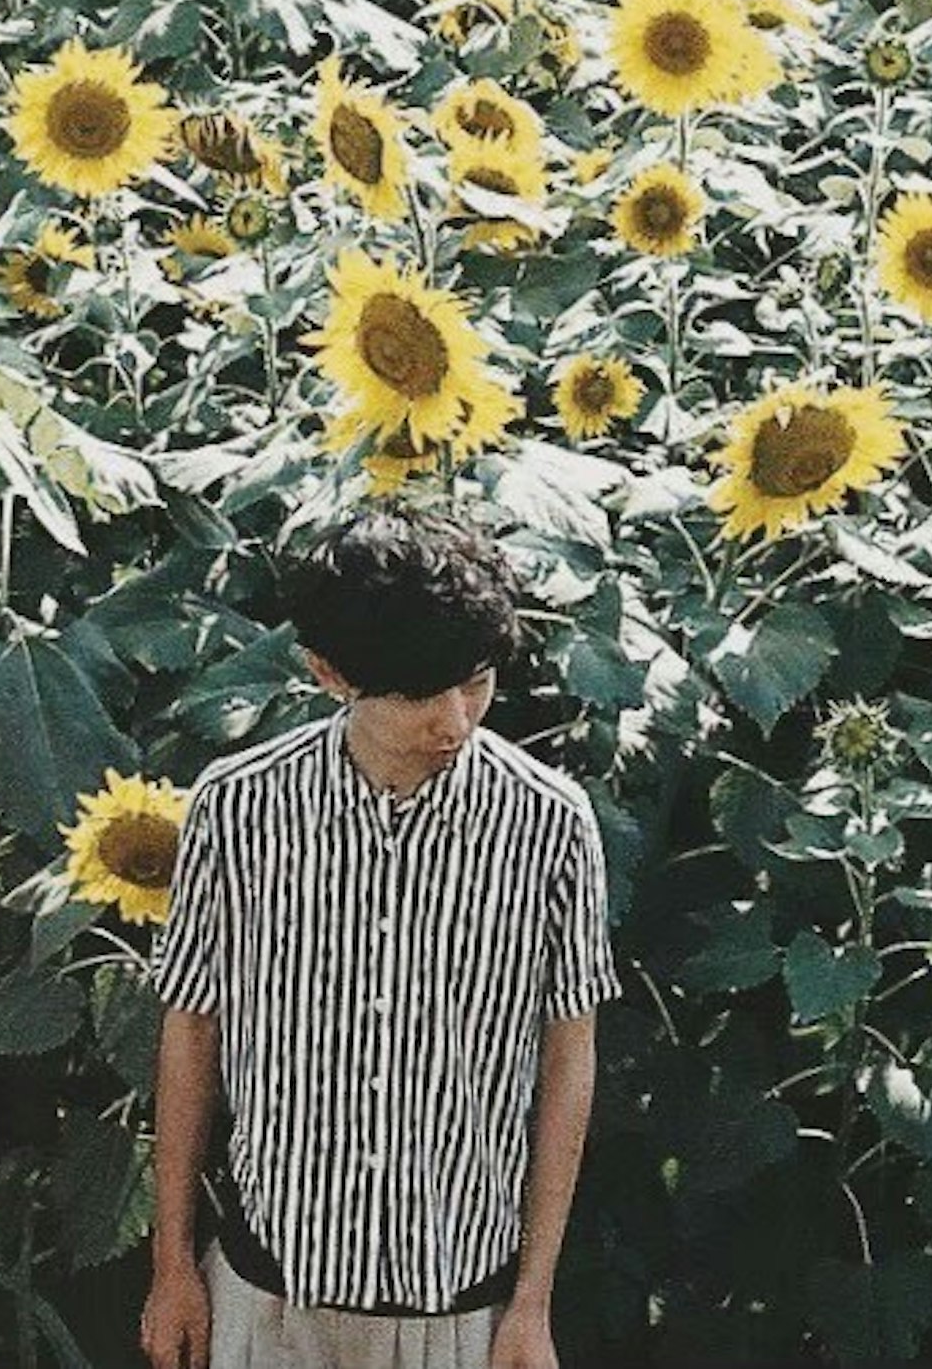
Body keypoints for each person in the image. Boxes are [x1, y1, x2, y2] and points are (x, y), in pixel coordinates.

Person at [140, 501, 615, 1369]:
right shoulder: (239, 807)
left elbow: (567, 1056)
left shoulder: (550, 822)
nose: (456, 721)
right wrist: (172, 1258)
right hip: (268, 1293)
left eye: (474, 681)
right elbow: (191, 1025)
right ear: (329, 672)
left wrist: (533, 1301)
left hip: (461, 1303)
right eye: (419, 693)